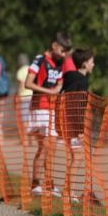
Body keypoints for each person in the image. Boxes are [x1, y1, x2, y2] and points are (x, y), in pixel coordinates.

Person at [24, 32, 72, 196]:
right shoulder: (40, 60)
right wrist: (48, 91)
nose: (64, 54)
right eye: (63, 50)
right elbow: (28, 82)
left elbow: (59, 83)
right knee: (44, 147)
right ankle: (36, 184)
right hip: (40, 108)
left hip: (52, 109)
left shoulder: (61, 63)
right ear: (54, 46)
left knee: (50, 147)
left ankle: (48, 184)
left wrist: (58, 89)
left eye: (67, 51)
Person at [60, 48, 94, 201]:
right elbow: (78, 106)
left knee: (75, 156)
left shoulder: (69, 78)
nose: (93, 65)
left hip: (66, 119)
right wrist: (81, 129)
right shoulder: (82, 81)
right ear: (85, 64)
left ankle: (68, 190)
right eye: (92, 62)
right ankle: (69, 192)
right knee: (77, 156)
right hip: (75, 123)